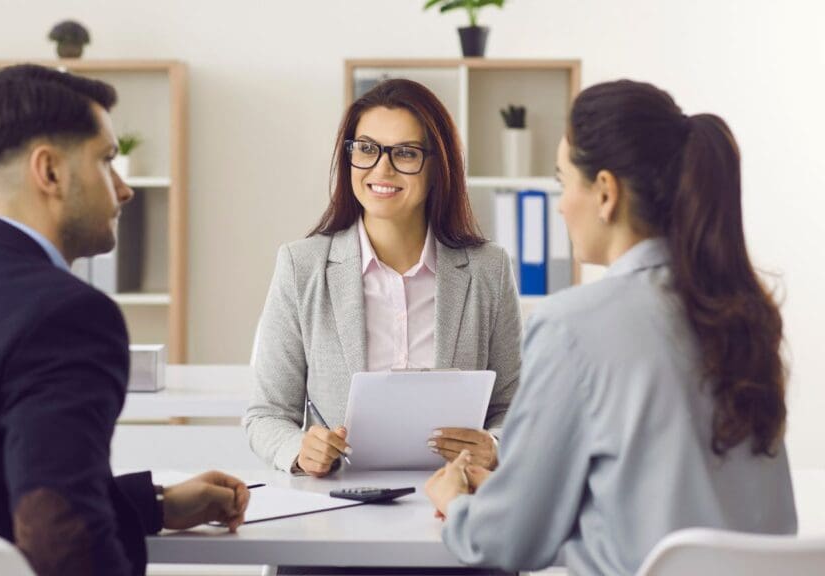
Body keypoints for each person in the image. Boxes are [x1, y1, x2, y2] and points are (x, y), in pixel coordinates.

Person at [0, 64, 249, 576]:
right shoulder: (70, 316)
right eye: (107, 160)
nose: (123, 188)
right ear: (50, 172)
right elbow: (64, 546)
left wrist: (153, 503)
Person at [425, 79, 797, 575]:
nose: (559, 206)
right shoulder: (743, 313)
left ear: (605, 192)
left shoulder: (570, 326)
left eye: (562, 183)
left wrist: (457, 501)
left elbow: (506, 543)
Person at [244, 79, 521, 476]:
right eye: (367, 149)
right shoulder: (301, 266)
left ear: (437, 166)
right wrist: (299, 450)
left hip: (456, 500)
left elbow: (515, 408)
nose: (382, 169)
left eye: (405, 153)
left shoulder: (487, 269)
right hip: (339, 503)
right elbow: (266, 414)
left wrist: (494, 445)